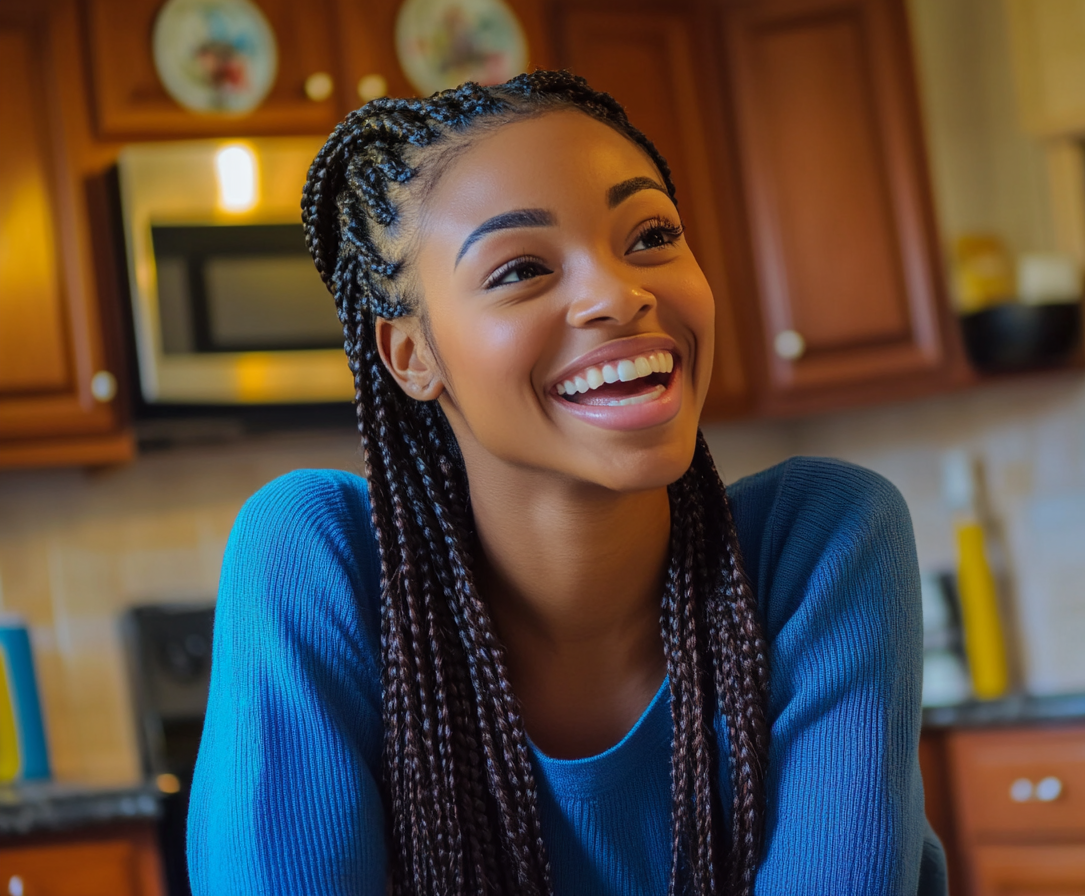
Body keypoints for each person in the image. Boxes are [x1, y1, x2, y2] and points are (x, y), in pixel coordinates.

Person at [187, 70, 945, 896]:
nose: (620, 295)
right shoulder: (314, 556)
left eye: (650, 234)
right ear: (411, 355)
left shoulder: (823, 543)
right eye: (520, 270)